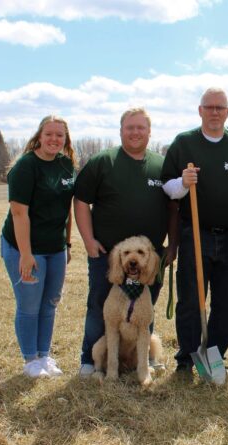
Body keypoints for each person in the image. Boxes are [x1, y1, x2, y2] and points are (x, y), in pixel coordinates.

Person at [74, 107, 178, 377]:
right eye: (130, 127)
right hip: (108, 254)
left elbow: (173, 208)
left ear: (149, 131)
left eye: (141, 128)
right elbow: (81, 201)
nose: (135, 133)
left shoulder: (161, 165)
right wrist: (88, 240)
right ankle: (91, 361)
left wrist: (173, 245)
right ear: (121, 131)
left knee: (145, 308)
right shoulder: (102, 161)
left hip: (148, 258)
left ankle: (144, 361)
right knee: (100, 306)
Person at [161, 87, 228, 374]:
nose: (215, 112)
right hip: (195, 233)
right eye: (209, 107)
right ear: (200, 110)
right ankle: (187, 357)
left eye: (220, 108)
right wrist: (183, 182)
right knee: (190, 300)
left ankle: (214, 355)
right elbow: (167, 187)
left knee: (226, 302)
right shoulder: (184, 143)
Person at [0, 115, 76, 378]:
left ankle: (44, 356)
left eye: (60, 135)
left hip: (55, 248)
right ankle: (30, 360)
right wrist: (25, 254)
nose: (54, 139)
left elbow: (67, 208)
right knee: (30, 304)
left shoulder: (66, 166)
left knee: (50, 302)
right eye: (49, 134)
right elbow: (20, 214)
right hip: (24, 246)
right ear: (39, 136)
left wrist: (67, 243)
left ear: (65, 140)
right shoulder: (25, 167)